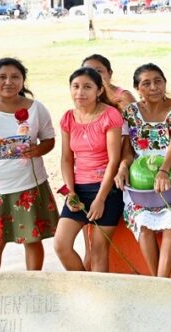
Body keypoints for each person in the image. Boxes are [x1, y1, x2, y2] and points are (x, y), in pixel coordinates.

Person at [0, 58, 59, 271]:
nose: (8, 82)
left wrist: (38, 150)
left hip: (30, 184)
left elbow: (49, 140)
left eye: (15, 77)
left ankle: (33, 285)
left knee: (32, 239)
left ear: (23, 80)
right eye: (2, 77)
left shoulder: (36, 108)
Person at [114, 63, 171, 278]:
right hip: (139, 180)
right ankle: (157, 282)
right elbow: (127, 152)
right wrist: (123, 167)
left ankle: (162, 282)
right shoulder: (130, 113)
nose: (153, 87)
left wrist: (164, 171)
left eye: (158, 81)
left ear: (165, 83)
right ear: (137, 89)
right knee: (142, 222)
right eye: (146, 83)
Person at [53, 67, 124, 272]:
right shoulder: (68, 118)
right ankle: (84, 289)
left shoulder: (110, 115)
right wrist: (71, 191)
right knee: (61, 245)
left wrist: (101, 199)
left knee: (98, 250)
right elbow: (66, 158)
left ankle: (98, 301)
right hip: (78, 188)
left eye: (87, 87)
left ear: (99, 90)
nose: (80, 92)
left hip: (106, 189)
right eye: (75, 86)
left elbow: (114, 160)